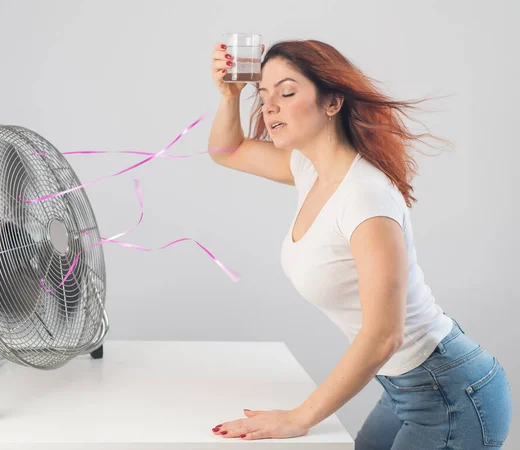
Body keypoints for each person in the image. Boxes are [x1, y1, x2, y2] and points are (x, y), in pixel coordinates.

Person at [206, 39, 513, 449]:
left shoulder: (365, 196)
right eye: (263, 95)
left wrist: (301, 417)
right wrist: (230, 95)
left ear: (332, 103)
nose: (270, 106)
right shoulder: (309, 170)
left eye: (287, 92)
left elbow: (384, 335)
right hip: (404, 385)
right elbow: (227, 150)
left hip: (450, 390)